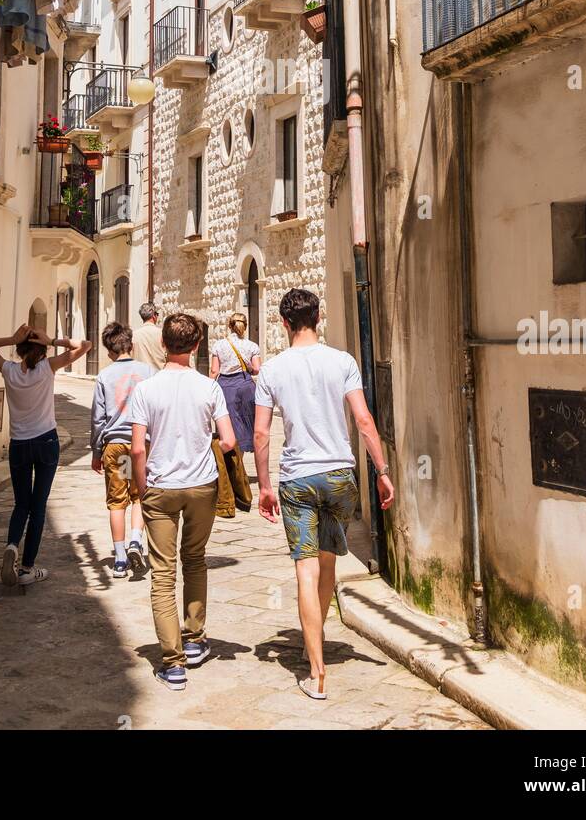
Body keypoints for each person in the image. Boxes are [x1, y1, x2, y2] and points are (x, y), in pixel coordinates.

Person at [254, 288, 394, 702]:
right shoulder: (343, 361)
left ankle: (315, 672)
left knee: (305, 569)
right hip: (338, 475)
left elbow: (261, 433)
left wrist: (263, 485)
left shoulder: (273, 370)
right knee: (329, 559)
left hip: (297, 479)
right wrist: (382, 472)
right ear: (319, 317)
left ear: (283, 323)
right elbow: (364, 420)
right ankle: (316, 636)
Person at [130, 313, 236, 691]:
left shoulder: (146, 389)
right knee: (195, 560)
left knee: (162, 573)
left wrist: (142, 488)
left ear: (163, 345)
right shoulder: (209, 389)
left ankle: (173, 664)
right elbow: (228, 441)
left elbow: (138, 447)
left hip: (159, 486)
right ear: (195, 347)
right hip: (201, 485)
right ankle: (195, 640)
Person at [0, 323, 92, 586]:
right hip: (46, 441)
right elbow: (85, 346)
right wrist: (53, 340)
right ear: (42, 350)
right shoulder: (47, 367)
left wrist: (11, 336)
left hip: (19, 444)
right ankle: (28, 567)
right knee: (38, 506)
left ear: (19, 350)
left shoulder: (8, 370)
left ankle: (11, 547)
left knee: (21, 503)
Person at [91, 322, 153, 579]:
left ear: (108, 351)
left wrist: (96, 451)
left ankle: (118, 558)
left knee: (117, 501)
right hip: (140, 443)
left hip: (115, 444)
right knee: (139, 495)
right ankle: (136, 541)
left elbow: (98, 418)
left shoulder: (104, 376)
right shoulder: (148, 371)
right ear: (132, 345)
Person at [209, 311, 260, 454]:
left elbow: (214, 371)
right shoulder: (252, 346)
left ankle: (233, 463)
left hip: (226, 386)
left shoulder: (219, 345)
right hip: (246, 385)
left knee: (228, 422)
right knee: (245, 423)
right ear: (245, 326)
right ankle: (243, 456)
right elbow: (256, 369)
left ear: (229, 326)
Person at [132, 300, 165, 371]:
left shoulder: (134, 335)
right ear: (154, 316)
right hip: (158, 376)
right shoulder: (162, 334)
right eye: (157, 314)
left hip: (140, 377)